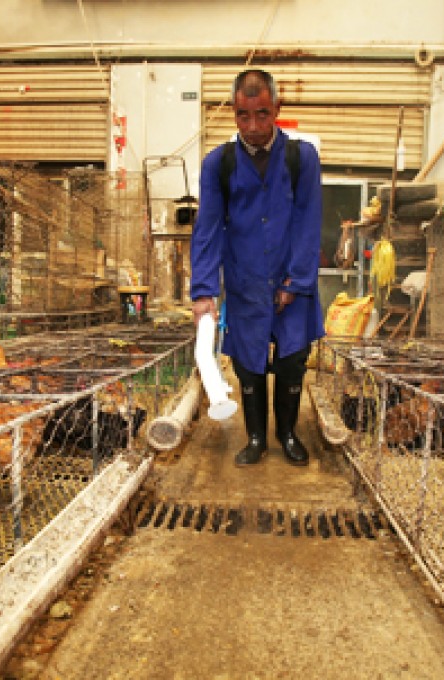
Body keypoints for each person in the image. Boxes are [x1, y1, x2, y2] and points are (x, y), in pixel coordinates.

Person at [190, 69, 324, 467]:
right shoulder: (219, 164)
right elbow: (208, 229)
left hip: (292, 282)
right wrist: (203, 291)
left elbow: (308, 220)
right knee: (248, 364)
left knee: (290, 361)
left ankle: (286, 433)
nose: (253, 126)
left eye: (262, 115)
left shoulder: (303, 158)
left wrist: (296, 281)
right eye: (243, 116)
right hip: (246, 281)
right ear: (234, 112)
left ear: (277, 109)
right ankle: (255, 439)